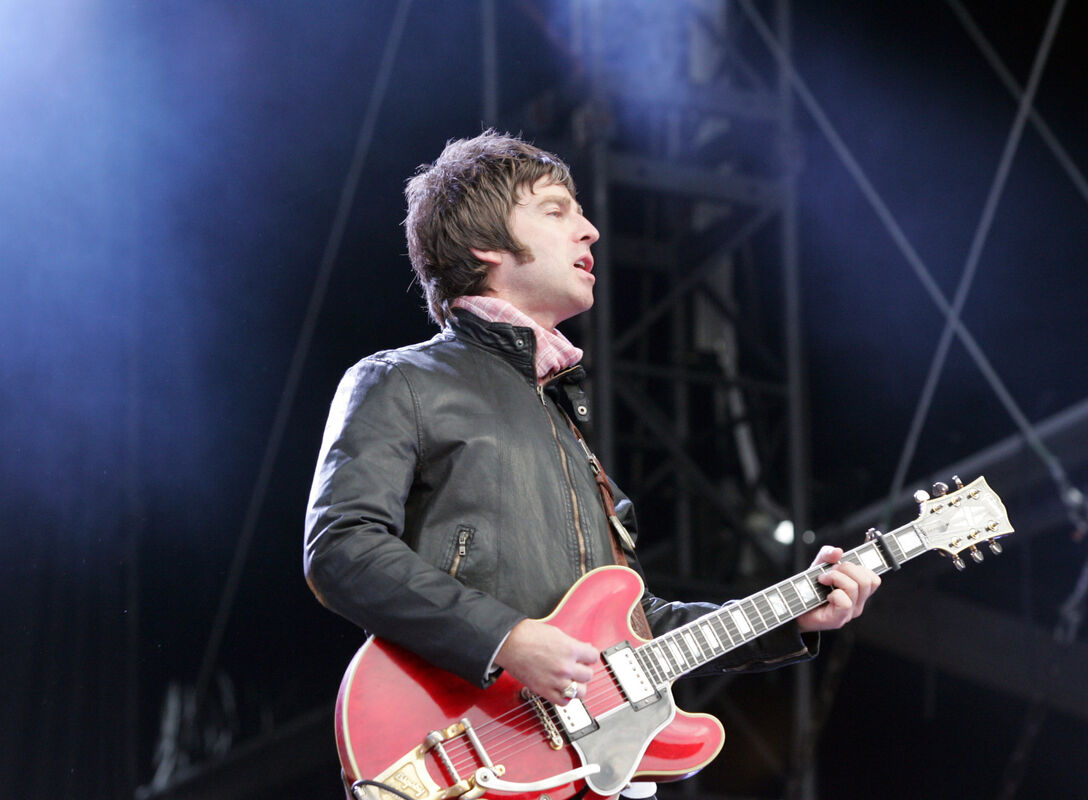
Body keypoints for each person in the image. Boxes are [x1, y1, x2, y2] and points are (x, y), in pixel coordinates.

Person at [303, 130, 880, 797]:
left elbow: (632, 636)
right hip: (457, 752)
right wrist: (507, 639)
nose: (592, 230)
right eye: (556, 210)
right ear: (484, 247)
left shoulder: (568, 429)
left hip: (577, 776)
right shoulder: (403, 381)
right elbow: (341, 546)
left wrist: (793, 611)